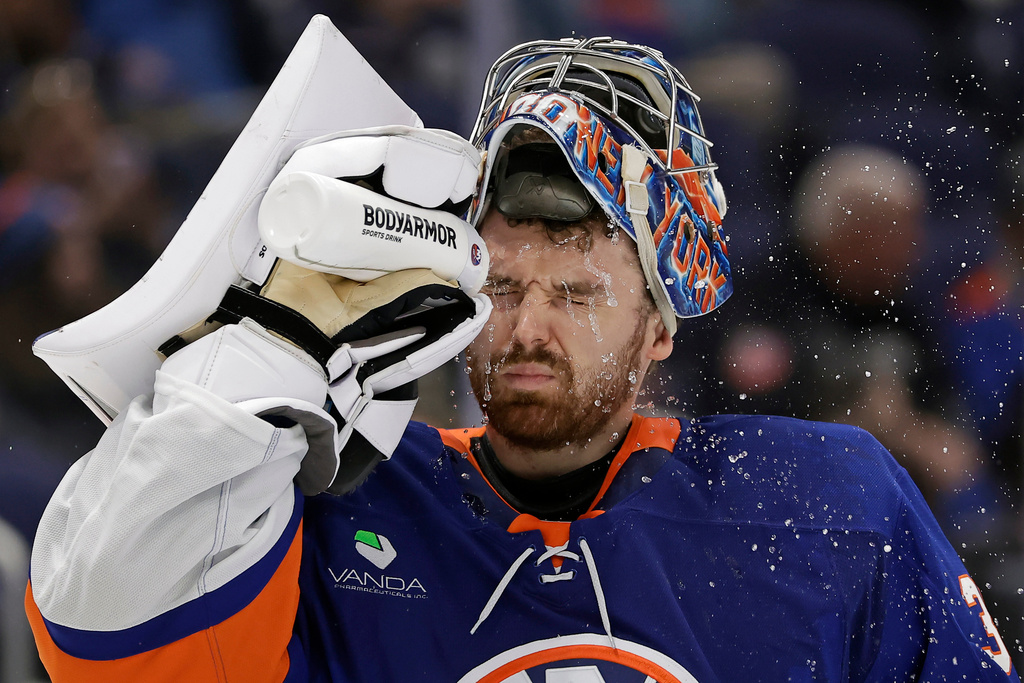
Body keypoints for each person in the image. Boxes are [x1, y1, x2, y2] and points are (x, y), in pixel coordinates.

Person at [25, 35, 1020, 682]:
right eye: (501, 289)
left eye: (579, 293)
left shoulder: (820, 501)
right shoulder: (325, 500)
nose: (528, 327)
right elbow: (104, 642)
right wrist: (277, 341)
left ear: (661, 328)